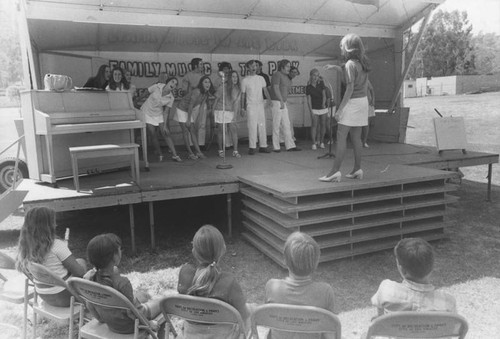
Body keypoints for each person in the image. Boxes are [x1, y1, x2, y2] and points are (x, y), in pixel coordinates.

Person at [177, 225, 251, 338]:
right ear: (224, 250)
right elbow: (244, 317)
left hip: (190, 336)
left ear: (194, 251)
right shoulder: (229, 282)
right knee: (250, 312)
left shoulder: (185, 274)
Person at [84, 233, 163, 334]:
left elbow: (89, 304)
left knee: (143, 295)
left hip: (110, 323)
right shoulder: (122, 283)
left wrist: (100, 318)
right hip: (130, 327)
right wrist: (149, 324)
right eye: (119, 249)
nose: (121, 251)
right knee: (163, 302)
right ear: (114, 257)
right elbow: (134, 312)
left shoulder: (89, 279)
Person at [319, 33, 370, 183]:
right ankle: (357, 169)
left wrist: (340, 110)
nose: (340, 49)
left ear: (348, 48)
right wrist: (336, 67)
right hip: (363, 102)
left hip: (352, 102)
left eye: (342, 46)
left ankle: (334, 172)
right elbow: (353, 73)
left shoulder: (349, 65)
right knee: (356, 137)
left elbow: (349, 88)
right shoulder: (362, 63)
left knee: (341, 136)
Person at [265, 232, 336, 339]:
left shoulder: (271, 286)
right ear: (316, 263)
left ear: (285, 260)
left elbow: (269, 320)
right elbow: (329, 334)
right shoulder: (325, 291)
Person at [16, 207, 87, 307]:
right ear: (47, 226)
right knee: (81, 262)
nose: (55, 224)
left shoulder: (25, 247)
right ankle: (91, 301)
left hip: (44, 296)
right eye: (53, 221)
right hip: (66, 297)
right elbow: (80, 273)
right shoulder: (56, 245)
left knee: (74, 264)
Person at [371, 238, 456, 317]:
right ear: (432, 268)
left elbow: (379, 315)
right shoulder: (448, 302)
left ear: (403, 270)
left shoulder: (387, 291)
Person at [141, 77, 182, 162]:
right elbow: (145, 93)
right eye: (172, 82)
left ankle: (175, 155)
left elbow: (166, 112)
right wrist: (136, 101)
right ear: (167, 82)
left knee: (166, 133)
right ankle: (160, 154)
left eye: (175, 84)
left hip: (158, 114)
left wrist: (165, 126)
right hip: (146, 111)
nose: (173, 84)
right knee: (152, 133)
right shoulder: (156, 87)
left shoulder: (171, 98)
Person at [174, 75, 215, 159]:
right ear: (201, 84)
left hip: (188, 111)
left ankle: (198, 152)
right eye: (205, 82)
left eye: (209, 82)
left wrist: (199, 121)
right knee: (185, 131)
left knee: (193, 131)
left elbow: (201, 108)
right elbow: (190, 105)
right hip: (181, 109)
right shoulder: (197, 91)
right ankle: (190, 153)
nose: (208, 84)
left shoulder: (206, 94)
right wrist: (188, 119)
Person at [240, 59, 272, 155]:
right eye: (252, 66)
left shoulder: (261, 78)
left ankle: (263, 145)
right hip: (251, 105)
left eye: (255, 66)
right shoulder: (245, 80)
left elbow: (265, 91)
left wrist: (269, 100)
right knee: (252, 126)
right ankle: (252, 146)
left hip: (260, 104)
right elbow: (243, 95)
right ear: (248, 68)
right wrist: (242, 108)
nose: (254, 67)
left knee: (262, 125)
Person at [269, 59, 300, 152]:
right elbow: (275, 88)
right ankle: (276, 146)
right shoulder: (277, 75)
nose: (289, 68)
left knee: (287, 124)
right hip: (277, 102)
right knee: (276, 124)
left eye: (289, 66)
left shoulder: (287, 77)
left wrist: (283, 101)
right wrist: (281, 100)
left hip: (283, 102)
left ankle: (290, 145)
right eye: (287, 66)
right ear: (282, 67)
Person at [213, 70, 242, 158]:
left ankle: (235, 151)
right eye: (233, 76)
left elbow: (237, 104)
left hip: (230, 111)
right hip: (221, 109)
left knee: (233, 129)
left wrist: (235, 116)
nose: (235, 78)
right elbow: (216, 99)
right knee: (221, 130)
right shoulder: (223, 87)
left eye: (236, 77)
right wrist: (212, 112)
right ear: (229, 78)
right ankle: (220, 150)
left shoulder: (238, 89)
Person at [182, 58, 208, 148]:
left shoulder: (203, 76)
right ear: (196, 65)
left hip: (203, 103)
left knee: (202, 124)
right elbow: (185, 91)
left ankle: (201, 144)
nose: (202, 66)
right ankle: (191, 144)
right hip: (192, 104)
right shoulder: (188, 76)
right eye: (201, 64)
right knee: (191, 124)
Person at [306, 68, 328, 150]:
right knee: (314, 125)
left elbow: (324, 95)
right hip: (314, 108)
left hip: (322, 107)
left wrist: (323, 103)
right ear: (311, 76)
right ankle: (314, 143)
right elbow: (308, 100)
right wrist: (311, 111)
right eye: (314, 75)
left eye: (317, 75)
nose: (316, 77)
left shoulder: (321, 83)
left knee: (323, 124)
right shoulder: (308, 87)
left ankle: (322, 142)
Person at [362, 79, 375, 148]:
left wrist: (373, 100)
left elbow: (371, 90)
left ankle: (364, 142)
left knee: (366, 123)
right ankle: (358, 141)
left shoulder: (366, 80)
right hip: (358, 104)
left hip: (367, 103)